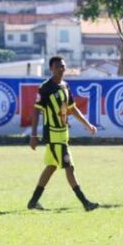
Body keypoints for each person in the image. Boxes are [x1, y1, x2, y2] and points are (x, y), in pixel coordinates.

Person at [27, 56, 99, 211]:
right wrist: (33, 136)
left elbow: (72, 109)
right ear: (51, 68)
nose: (61, 69)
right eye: (58, 66)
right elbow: (36, 111)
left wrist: (88, 124)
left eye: (63, 66)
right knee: (69, 167)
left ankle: (33, 202)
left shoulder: (65, 86)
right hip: (53, 135)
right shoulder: (45, 88)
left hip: (63, 134)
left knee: (51, 167)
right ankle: (85, 203)